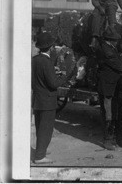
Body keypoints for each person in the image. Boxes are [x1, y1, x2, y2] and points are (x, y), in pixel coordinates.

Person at [32, 32, 75, 164]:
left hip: (38, 99)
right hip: (48, 100)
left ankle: (41, 149)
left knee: (40, 127)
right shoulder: (47, 62)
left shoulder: (35, 60)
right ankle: (40, 156)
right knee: (46, 128)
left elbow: (40, 77)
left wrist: (53, 71)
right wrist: (64, 76)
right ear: (50, 48)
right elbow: (53, 84)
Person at [95, 29, 122, 150]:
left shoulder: (110, 48)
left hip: (113, 86)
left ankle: (114, 138)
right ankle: (107, 140)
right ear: (111, 40)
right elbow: (117, 64)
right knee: (108, 114)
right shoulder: (106, 50)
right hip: (107, 87)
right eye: (115, 40)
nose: (117, 42)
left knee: (114, 112)